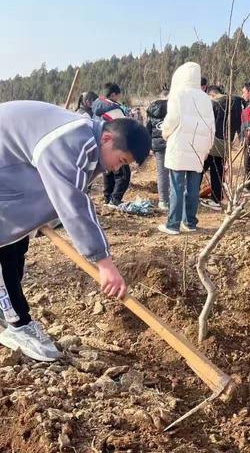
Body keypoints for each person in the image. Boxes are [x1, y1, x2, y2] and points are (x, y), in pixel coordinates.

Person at [0, 100, 151, 362]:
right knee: (4, 250)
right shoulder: (74, 141)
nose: (117, 168)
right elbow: (73, 201)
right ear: (106, 138)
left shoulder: (86, 139)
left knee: (16, 242)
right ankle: (17, 325)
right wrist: (103, 262)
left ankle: (8, 308)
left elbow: (69, 194)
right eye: (121, 160)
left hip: (9, 168)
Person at [158, 62, 215, 235]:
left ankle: (173, 224)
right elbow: (211, 126)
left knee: (176, 186)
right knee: (193, 188)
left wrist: (165, 134)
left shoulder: (179, 94)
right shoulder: (205, 98)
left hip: (180, 146)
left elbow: (171, 121)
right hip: (198, 149)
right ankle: (190, 222)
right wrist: (207, 147)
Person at [201, 85, 243, 210]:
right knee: (218, 170)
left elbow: (207, 123)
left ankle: (191, 194)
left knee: (200, 168)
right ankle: (216, 198)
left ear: (212, 94)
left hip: (213, 141)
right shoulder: (234, 104)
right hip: (226, 142)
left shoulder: (214, 104)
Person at [92, 83, 132, 206]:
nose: (119, 97)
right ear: (113, 94)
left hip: (101, 145)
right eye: (118, 94)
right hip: (115, 146)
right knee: (124, 174)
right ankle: (115, 200)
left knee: (108, 172)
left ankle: (107, 198)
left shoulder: (96, 108)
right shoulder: (114, 109)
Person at [146, 91, 170, 212]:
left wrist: (149, 145)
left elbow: (148, 127)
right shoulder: (173, 106)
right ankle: (175, 198)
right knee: (175, 172)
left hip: (157, 145)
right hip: (172, 142)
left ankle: (163, 201)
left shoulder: (152, 108)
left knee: (162, 173)